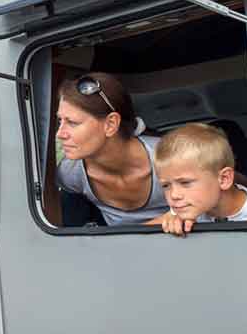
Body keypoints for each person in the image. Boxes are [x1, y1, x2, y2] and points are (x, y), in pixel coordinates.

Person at [55, 72, 168, 226]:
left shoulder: (171, 157)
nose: (60, 134)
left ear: (111, 124)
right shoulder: (70, 174)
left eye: (72, 123)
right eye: (60, 121)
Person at [152, 123, 247, 235]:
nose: (174, 195)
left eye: (185, 183)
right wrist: (170, 223)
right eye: (166, 185)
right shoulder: (188, 208)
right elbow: (139, 237)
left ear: (224, 179)